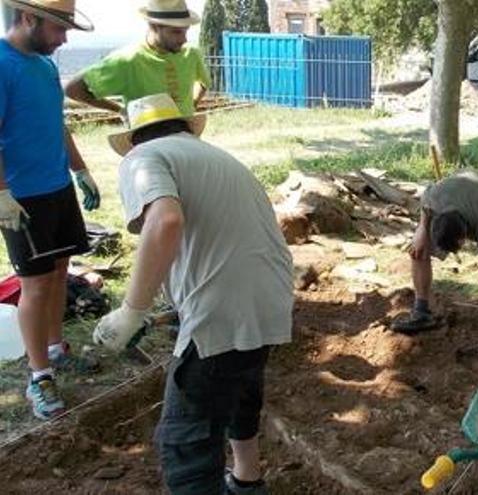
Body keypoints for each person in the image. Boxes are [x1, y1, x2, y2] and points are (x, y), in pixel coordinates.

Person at [91, 93, 293, 495]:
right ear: (183, 127)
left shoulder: (143, 157)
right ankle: (246, 481)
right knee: (239, 391)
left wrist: (131, 311)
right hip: (270, 297)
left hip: (223, 306)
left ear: (134, 139)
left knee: (186, 440)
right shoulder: (218, 158)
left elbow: (165, 222)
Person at [0, 0, 101, 421]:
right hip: (22, 197)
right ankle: (38, 377)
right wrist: (1, 193)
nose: (63, 39)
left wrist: (81, 170)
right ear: (28, 18)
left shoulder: (42, 67)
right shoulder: (2, 66)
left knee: (61, 270)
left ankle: (56, 349)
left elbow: (57, 124)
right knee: (35, 284)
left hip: (58, 188)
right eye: (58, 29)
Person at [392, 170, 478, 337]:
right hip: (456, 191)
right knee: (418, 249)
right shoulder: (434, 200)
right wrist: (422, 229)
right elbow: (425, 202)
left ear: (464, 238)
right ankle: (421, 312)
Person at [64, 0, 209, 118]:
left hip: (187, 135)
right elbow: (73, 89)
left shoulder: (191, 53)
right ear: (154, 27)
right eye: (176, 32)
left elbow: (204, 83)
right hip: (148, 143)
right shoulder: (128, 60)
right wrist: (120, 110)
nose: (184, 39)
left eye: (185, 31)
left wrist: (192, 106)